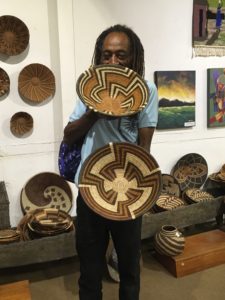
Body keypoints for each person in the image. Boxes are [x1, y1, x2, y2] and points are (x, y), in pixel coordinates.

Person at [63, 24, 158, 300]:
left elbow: (144, 148)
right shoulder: (90, 90)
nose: (112, 61)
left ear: (134, 58)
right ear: (99, 57)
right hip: (90, 188)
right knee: (89, 268)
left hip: (126, 190)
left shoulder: (147, 91)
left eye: (121, 55)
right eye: (106, 55)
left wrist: (137, 196)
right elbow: (69, 136)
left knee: (129, 267)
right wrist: (95, 112)